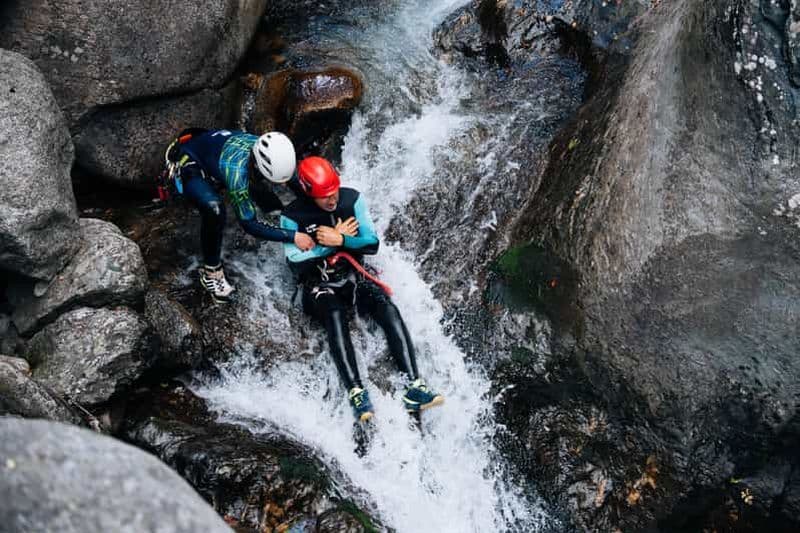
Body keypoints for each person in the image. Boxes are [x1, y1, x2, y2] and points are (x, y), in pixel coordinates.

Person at [279, 156, 444, 422]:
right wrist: (330, 244)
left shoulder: (351, 200)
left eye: (333, 193)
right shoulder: (292, 217)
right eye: (324, 197)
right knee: (334, 314)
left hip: (353, 275)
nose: (332, 200)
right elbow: (294, 261)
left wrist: (341, 238)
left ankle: (415, 386)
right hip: (318, 284)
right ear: (309, 193)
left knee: (386, 307)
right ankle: (356, 393)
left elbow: (371, 243)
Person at [163, 129, 315, 303]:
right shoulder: (236, 173)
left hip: (214, 147)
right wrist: (293, 236)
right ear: (258, 164)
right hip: (191, 161)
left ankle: (274, 213)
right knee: (215, 209)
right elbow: (249, 224)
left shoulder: (275, 150)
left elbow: (295, 181)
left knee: (262, 190)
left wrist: (319, 207)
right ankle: (211, 272)